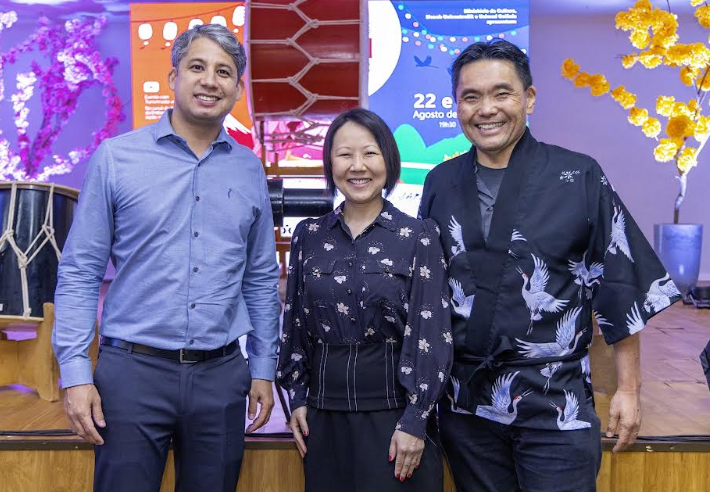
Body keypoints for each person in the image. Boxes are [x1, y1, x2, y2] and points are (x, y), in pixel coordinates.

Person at [418, 40, 682, 492]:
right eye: (471, 96)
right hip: (466, 405)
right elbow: (427, 290)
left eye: (502, 93)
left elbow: (619, 285)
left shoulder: (577, 175)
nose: (486, 109)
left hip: (557, 402)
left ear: (529, 98)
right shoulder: (441, 182)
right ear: (457, 105)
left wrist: (629, 389)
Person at [52, 24, 280, 492]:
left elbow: (260, 277)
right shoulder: (116, 158)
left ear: (238, 89)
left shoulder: (248, 168)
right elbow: (80, 271)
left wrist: (262, 367)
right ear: (174, 77)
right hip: (131, 375)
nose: (210, 81)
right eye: (197, 67)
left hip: (221, 378)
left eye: (224, 72)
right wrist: (74, 373)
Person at [277, 108, 453, 492]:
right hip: (323, 415)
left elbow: (433, 332)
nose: (358, 166)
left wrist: (416, 418)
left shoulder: (418, 235)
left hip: (395, 418)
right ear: (330, 163)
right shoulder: (308, 235)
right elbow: (294, 325)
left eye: (370, 153)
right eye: (345, 154)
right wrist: (298, 397)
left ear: (388, 161)